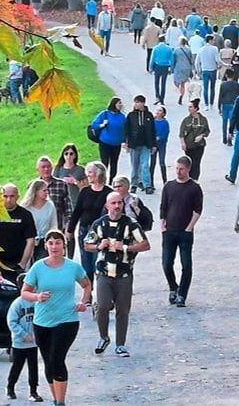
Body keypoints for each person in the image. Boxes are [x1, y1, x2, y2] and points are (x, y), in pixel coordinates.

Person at [22, 231, 91, 406]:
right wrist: (37, 297)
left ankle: (61, 403)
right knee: (48, 362)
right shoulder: (38, 267)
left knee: (57, 359)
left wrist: (84, 302)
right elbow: (25, 292)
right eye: (51, 243)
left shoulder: (72, 267)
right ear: (46, 245)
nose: (54, 247)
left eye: (58, 243)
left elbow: (87, 284)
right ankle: (56, 399)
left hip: (67, 320)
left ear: (64, 246)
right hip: (42, 321)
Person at [84, 191, 151, 358]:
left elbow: (145, 244)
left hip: (124, 274)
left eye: (119, 203)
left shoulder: (130, 224)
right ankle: (103, 337)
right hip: (104, 273)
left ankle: (120, 344)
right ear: (107, 206)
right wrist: (99, 246)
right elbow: (87, 244)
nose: (117, 206)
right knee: (103, 305)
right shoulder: (99, 224)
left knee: (123, 309)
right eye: (113, 203)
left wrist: (126, 247)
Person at [160, 156, 203, 307]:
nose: (178, 171)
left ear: (188, 169)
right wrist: (162, 224)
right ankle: (173, 287)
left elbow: (198, 209)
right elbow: (163, 206)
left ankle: (182, 294)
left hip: (185, 231)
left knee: (186, 265)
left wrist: (190, 227)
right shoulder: (169, 186)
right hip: (169, 230)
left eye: (181, 169)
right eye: (177, 168)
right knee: (166, 263)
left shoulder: (194, 188)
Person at [0, 183, 37, 283]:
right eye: (5, 196)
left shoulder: (25, 215)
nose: (8, 200)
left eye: (12, 196)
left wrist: (22, 263)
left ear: (18, 197)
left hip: (16, 264)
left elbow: (30, 240)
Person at [68, 162, 112, 282]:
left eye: (91, 172)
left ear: (98, 174)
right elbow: (77, 211)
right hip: (84, 231)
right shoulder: (85, 191)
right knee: (86, 265)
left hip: (101, 233)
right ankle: (89, 292)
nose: (88, 175)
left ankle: (101, 292)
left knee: (97, 262)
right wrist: (70, 229)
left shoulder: (108, 193)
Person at [7, 273, 45, 402]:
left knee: (33, 367)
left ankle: (33, 391)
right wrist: (24, 334)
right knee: (17, 366)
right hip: (20, 342)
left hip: (34, 342)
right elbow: (12, 322)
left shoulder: (37, 302)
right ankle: (10, 387)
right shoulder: (17, 304)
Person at [125, 95, 157, 195]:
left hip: (146, 144)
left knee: (145, 165)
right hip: (134, 144)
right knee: (135, 165)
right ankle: (134, 184)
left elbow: (152, 130)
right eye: (135, 102)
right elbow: (127, 129)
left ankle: (147, 185)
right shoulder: (131, 115)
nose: (136, 104)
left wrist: (153, 145)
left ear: (143, 103)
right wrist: (125, 142)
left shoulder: (149, 115)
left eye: (138, 102)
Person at [22, 179, 58, 261]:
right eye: (44, 190)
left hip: (44, 240)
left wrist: (51, 240)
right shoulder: (26, 208)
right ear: (36, 191)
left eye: (47, 190)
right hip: (29, 240)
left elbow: (53, 224)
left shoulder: (50, 205)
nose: (47, 193)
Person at [91, 97, 126, 177]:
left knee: (114, 163)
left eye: (121, 103)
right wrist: (102, 125)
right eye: (119, 103)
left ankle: (111, 182)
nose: (121, 105)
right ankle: (102, 180)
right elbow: (94, 125)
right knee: (104, 163)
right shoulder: (105, 114)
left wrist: (125, 141)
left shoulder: (122, 117)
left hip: (117, 144)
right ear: (114, 104)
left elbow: (125, 130)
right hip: (105, 142)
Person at [179, 99, 210, 181]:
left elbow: (207, 131)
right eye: (189, 107)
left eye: (191, 107)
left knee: (196, 163)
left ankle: (195, 179)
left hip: (199, 145)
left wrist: (202, 135)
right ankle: (188, 178)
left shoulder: (203, 119)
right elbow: (181, 133)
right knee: (189, 163)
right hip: (189, 145)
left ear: (196, 108)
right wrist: (183, 143)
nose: (189, 109)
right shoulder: (186, 120)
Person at [217, 69, 239, 144]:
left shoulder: (223, 85)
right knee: (232, 122)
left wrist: (219, 107)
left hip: (225, 104)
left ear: (226, 75)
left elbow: (220, 96)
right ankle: (230, 137)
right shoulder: (238, 85)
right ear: (234, 76)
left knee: (224, 122)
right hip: (234, 104)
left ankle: (224, 137)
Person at [148, 34, 174, 105]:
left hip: (157, 66)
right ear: (164, 40)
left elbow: (152, 58)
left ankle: (157, 96)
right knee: (163, 83)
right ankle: (162, 99)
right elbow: (172, 59)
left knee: (156, 82)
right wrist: (171, 68)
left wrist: (150, 67)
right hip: (165, 66)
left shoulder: (156, 48)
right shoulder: (169, 48)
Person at [197, 35, 220, 110]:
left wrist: (198, 70)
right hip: (213, 70)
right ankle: (211, 104)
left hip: (205, 70)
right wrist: (220, 65)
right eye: (213, 40)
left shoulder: (201, 49)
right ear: (210, 40)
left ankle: (206, 104)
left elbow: (197, 62)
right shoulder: (215, 49)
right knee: (212, 87)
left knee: (205, 88)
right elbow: (217, 60)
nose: (214, 41)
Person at [150, 104, 170, 185]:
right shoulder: (152, 121)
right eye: (157, 110)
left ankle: (164, 180)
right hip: (153, 144)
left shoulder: (165, 123)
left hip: (161, 144)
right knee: (152, 163)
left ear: (163, 113)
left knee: (162, 162)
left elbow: (166, 133)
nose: (158, 112)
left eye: (160, 110)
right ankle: (150, 182)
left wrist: (159, 137)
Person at [172, 36, 195, 106]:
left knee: (176, 82)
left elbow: (174, 60)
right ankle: (181, 95)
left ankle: (180, 93)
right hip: (187, 67)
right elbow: (191, 60)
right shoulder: (188, 49)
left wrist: (172, 68)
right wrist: (192, 68)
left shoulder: (176, 50)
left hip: (178, 67)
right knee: (183, 84)